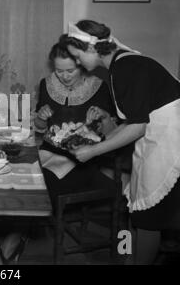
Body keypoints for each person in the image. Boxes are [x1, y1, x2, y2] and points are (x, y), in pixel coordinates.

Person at [61, 19, 180, 264]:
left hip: (169, 143)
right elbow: (132, 122)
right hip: (155, 139)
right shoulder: (122, 63)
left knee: (148, 220)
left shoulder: (126, 67)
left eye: (77, 56)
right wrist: (97, 139)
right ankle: (130, 259)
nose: (77, 62)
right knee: (138, 209)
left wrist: (93, 151)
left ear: (91, 49)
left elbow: (137, 126)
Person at [35, 42, 118, 205]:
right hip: (47, 153)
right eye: (59, 71)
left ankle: (40, 227)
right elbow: (40, 127)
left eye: (70, 71)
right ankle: (22, 228)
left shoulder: (99, 87)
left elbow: (112, 134)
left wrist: (104, 117)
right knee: (23, 180)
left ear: (82, 65)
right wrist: (41, 117)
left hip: (83, 160)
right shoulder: (46, 84)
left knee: (44, 186)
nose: (64, 76)